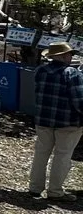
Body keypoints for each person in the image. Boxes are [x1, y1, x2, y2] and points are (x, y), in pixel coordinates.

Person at [29, 42, 83, 202]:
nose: (71, 56)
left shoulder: (40, 70)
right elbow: (79, 101)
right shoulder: (72, 74)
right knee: (62, 156)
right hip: (68, 122)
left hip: (43, 119)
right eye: (69, 54)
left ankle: (34, 187)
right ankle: (55, 191)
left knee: (41, 154)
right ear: (63, 56)